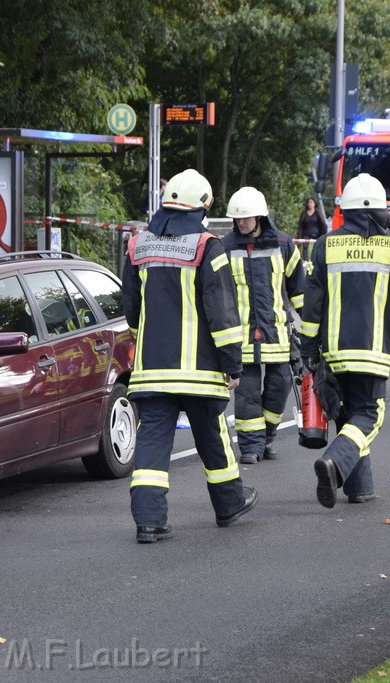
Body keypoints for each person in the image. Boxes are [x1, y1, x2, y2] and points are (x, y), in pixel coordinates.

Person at [121, 168, 257, 544]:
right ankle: (229, 504)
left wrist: (146, 339)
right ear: (202, 207)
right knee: (213, 436)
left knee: (152, 442)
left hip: (151, 370)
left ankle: (148, 521)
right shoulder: (207, 246)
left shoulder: (138, 245)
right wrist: (232, 364)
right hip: (200, 370)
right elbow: (222, 312)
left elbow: (131, 307)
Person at [300, 173, 390, 508]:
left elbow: (311, 303)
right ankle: (334, 461)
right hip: (371, 351)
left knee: (348, 415)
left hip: (333, 351)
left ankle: (359, 487)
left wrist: (307, 347)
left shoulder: (325, 246)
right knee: (369, 415)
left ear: (345, 209)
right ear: (380, 211)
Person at [221, 186, 306, 465]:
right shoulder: (225, 246)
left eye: (245, 218)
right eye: (237, 219)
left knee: (279, 387)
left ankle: (267, 436)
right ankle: (251, 447)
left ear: (260, 217)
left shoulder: (283, 245)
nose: (240, 223)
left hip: (277, 334)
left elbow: (299, 290)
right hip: (241, 336)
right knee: (246, 395)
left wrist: (314, 326)